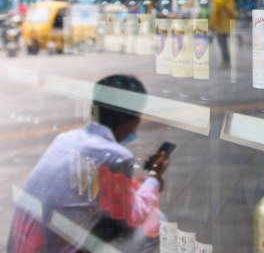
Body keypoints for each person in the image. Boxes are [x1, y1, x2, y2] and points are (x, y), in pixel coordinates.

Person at [8, 74, 169, 253]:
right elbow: (133, 215)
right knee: (156, 220)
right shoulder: (114, 155)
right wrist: (153, 178)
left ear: (93, 110)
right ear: (134, 120)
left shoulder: (66, 139)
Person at [209, 0, 238, 66]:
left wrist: (211, 24)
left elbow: (215, 13)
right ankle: (227, 60)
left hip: (220, 25)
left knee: (222, 44)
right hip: (228, 25)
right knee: (225, 43)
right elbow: (232, 13)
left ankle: (226, 61)